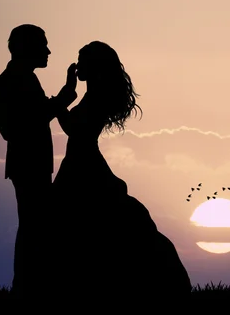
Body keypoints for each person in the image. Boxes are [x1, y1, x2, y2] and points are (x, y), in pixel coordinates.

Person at [49, 41, 191, 299]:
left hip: (83, 164)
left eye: (82, 61)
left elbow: (75, 129)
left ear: (93, 65)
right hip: (82, 161)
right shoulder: (93, 95)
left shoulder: (96, 97)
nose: (78, 65)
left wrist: (62, 100)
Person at [0, 24, 78, 297]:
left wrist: (61, 98)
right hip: (27, 166)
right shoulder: (11, 82)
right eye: (43, 45)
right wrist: (65, 95)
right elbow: (17, 126)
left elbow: (37, 114)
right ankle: (27, 288)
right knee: (33, 228)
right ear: (27, 48)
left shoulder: (23, 79)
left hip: (31, 165)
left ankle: (32, 287)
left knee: (36, 227)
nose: (48, 51)